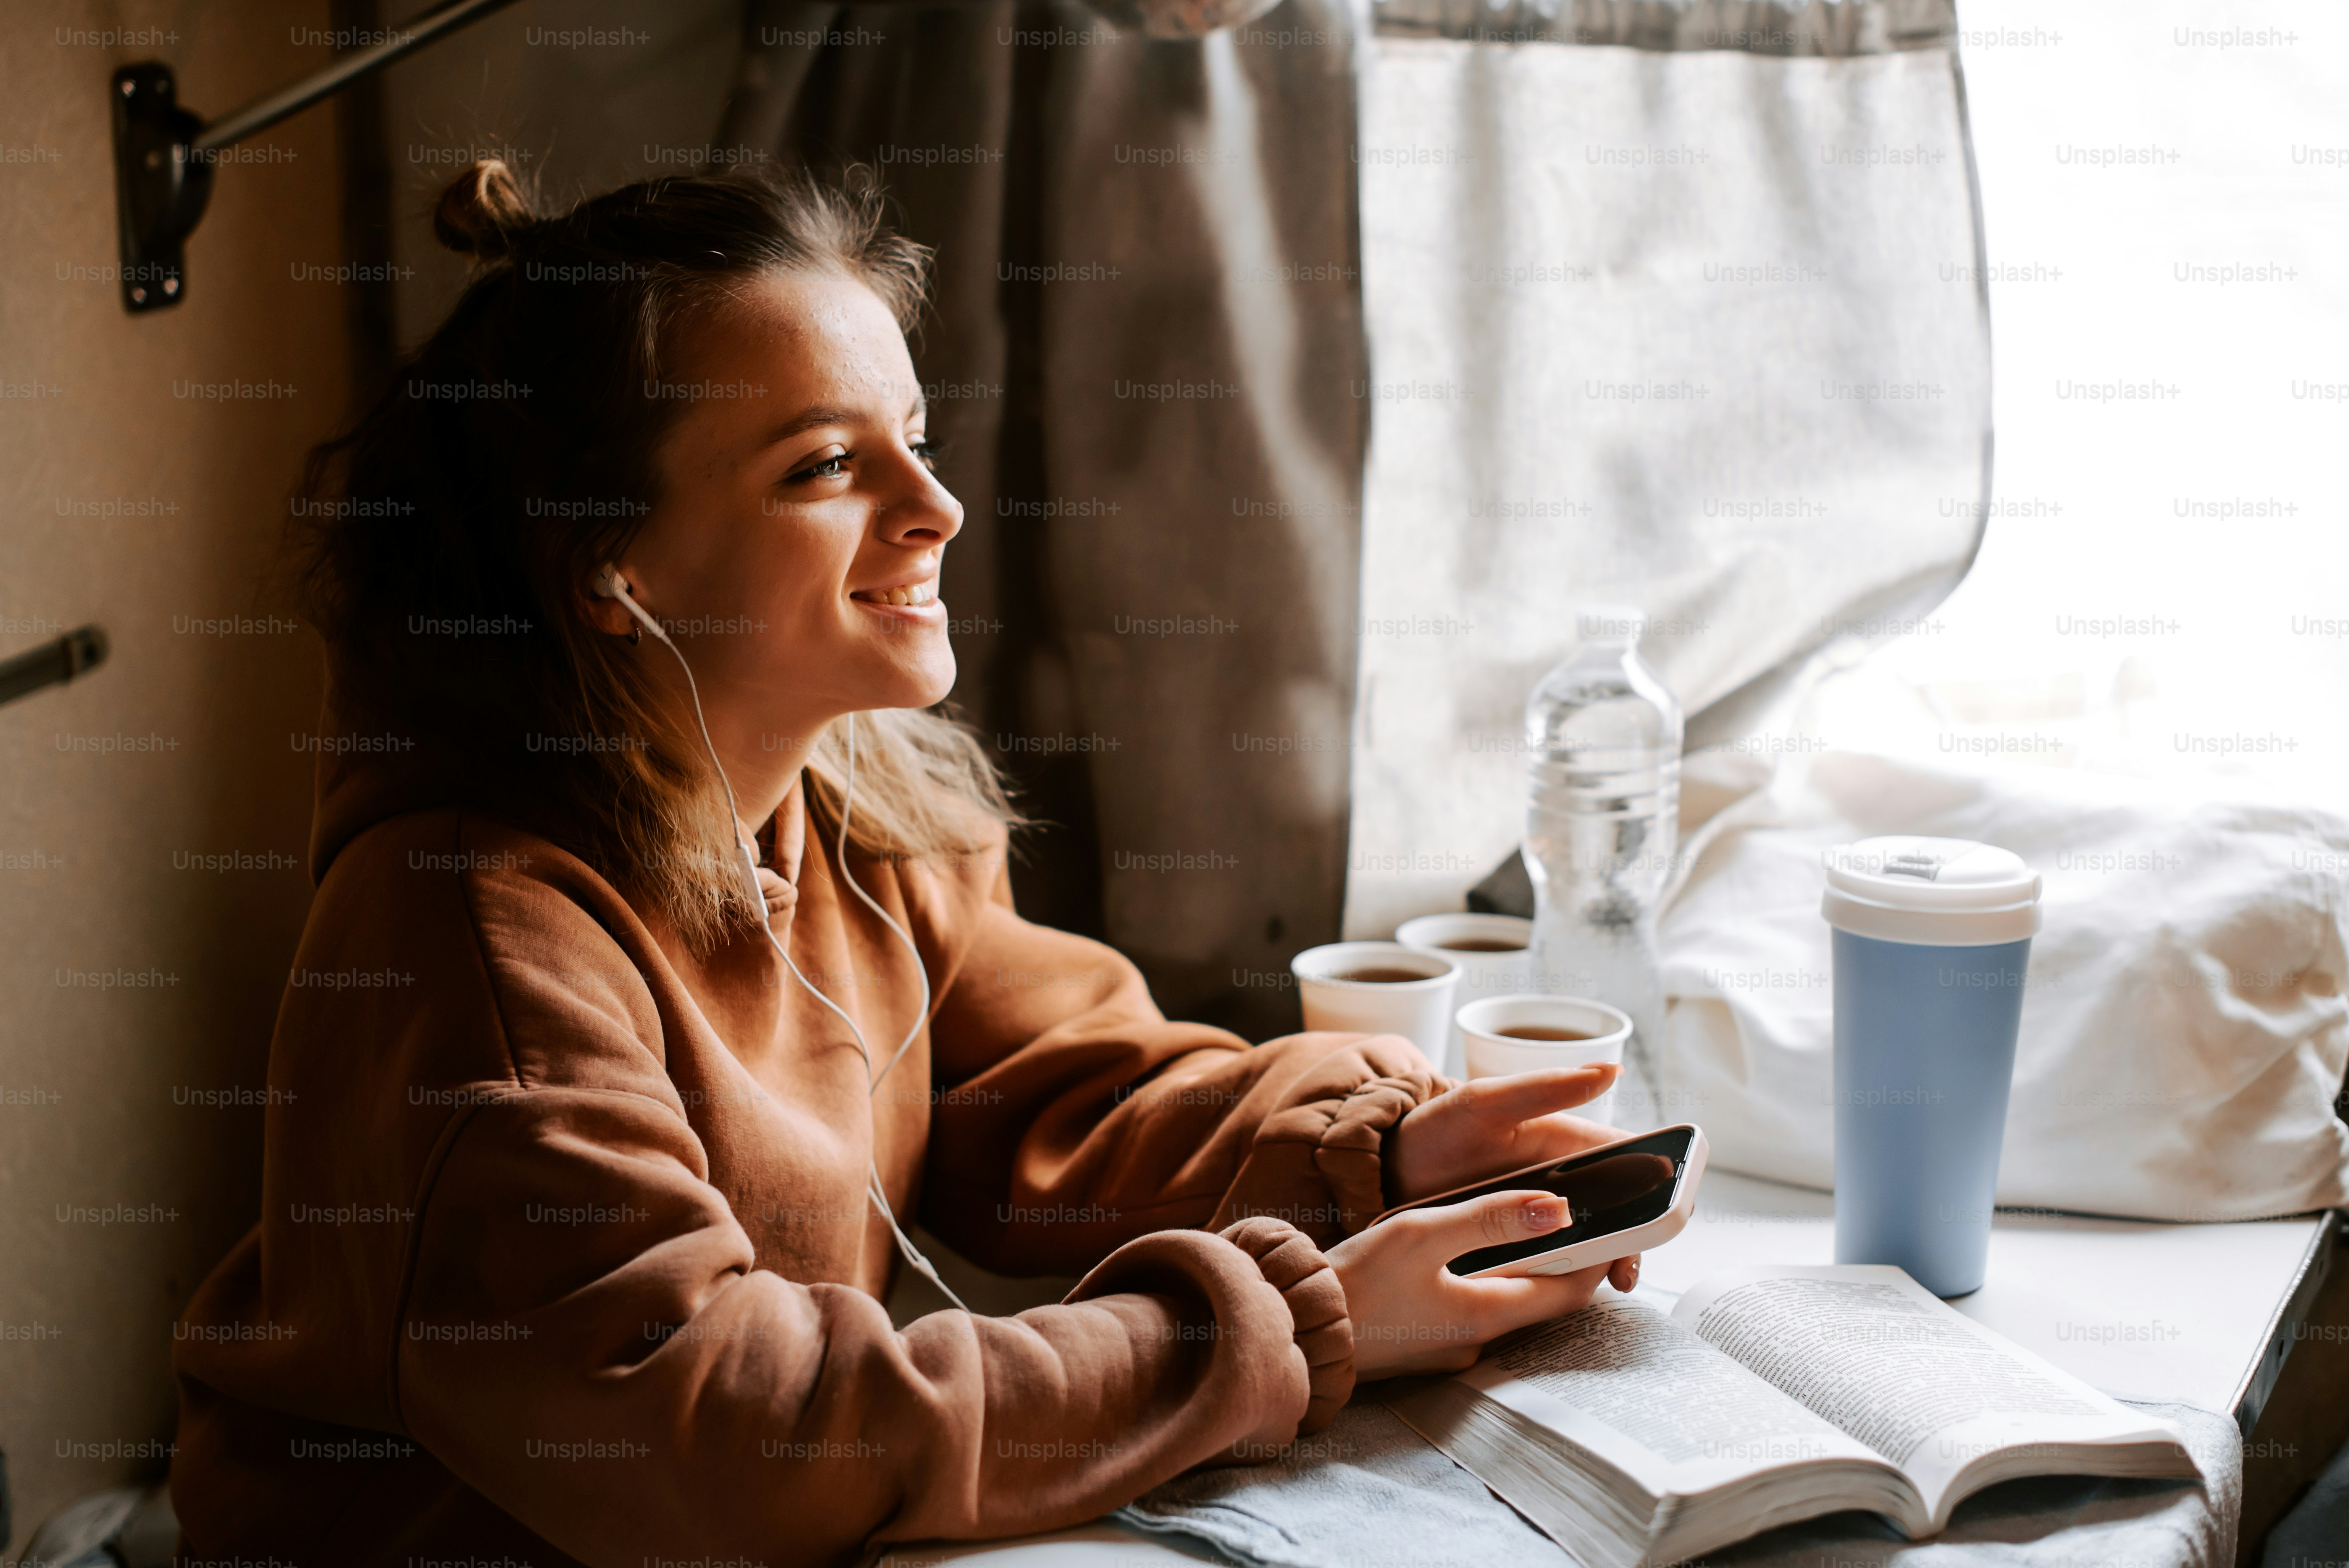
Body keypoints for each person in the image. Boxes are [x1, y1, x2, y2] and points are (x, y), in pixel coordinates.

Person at [169, 161, 1636, 1567]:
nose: (933, 507)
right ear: (613, 568)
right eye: (824, 463)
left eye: (914, 438)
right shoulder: (473, 943)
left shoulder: (855, 801)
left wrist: (1377, 1150)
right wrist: (1289, 1324)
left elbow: (1063, 1089)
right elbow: (718, 1443)